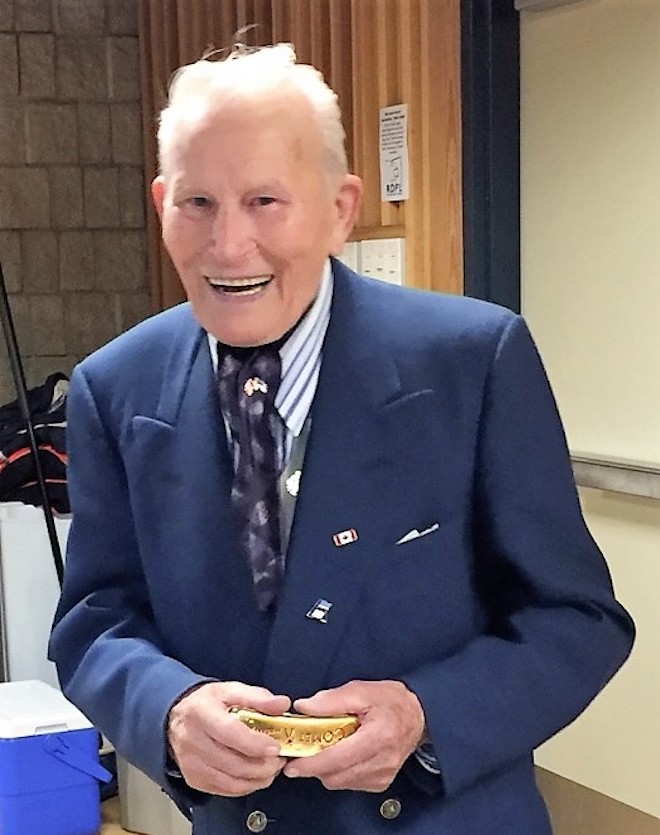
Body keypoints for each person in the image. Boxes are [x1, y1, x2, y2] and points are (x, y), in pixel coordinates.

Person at [50, 43, 634, 835]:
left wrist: (428, 713)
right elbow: (95, 618)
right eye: (197, 203)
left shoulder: (471, 360)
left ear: (340, 208)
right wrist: (169, 709)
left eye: (264, 200)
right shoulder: (114, 386)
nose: (227, 246)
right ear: (161, 204)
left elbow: (579, 619)